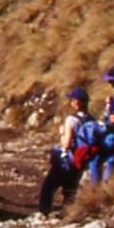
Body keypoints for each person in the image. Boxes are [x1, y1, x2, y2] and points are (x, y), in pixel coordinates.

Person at [37, 87, 92, 215]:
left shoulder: (71, 120)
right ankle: (68, 212)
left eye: (72, 100)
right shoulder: (92, 120)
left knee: (49, 185)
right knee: (71, 188)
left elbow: (67, 142)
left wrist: (62, 144)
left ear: (77, 102)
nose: (71, 102)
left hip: (69, 157)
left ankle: (44, 211)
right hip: (83, 159)